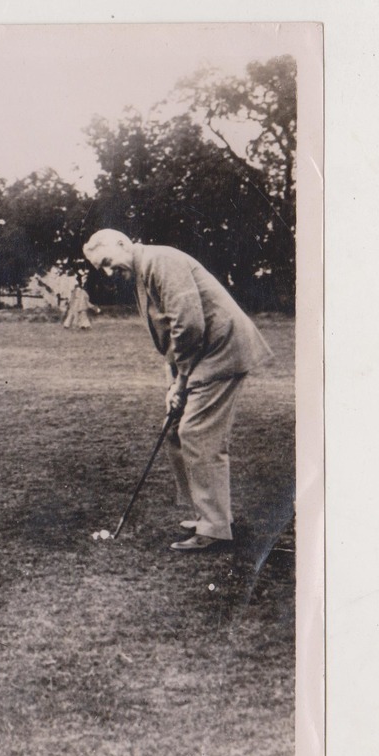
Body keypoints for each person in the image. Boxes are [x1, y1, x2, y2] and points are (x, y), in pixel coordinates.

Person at [82, 229, 272, 551]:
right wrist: (173, 384)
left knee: (197, 433)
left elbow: (190, 326)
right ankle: (206, 514)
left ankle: (213, 529)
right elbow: (168, 334)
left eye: (108, 262)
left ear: (122, 244)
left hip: (221, 352)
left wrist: (182, 381)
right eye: (101, 268)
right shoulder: (143, 272)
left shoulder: (161, 261)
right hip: (203, 355)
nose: (108, 272)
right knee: (173, 430)